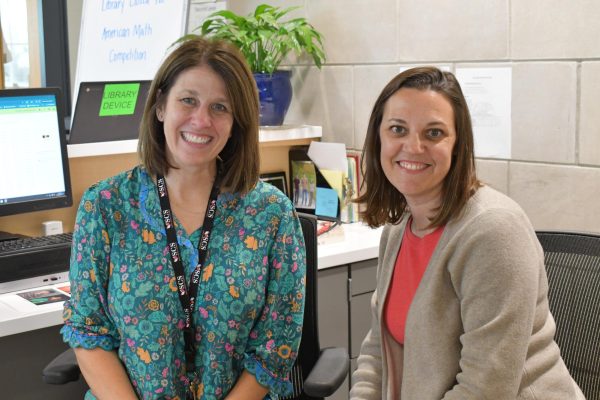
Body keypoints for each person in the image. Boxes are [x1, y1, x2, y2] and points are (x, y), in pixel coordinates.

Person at [61, 37, 306, 400]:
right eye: (188, 100)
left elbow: (277, 346)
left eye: (220, 107)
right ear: (160, 105)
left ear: (236, 120)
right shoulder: (105, 206)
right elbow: (89, 330)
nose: (201, 120)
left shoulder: (271, 214)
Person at [349, 67, 584, 399]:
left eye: (433, 133)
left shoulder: (493, 231)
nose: (413, 147)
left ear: (457, 145)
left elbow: (485, 388)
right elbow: (377, 350)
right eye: (398, 129)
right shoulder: (399, 228)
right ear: (379, 138)